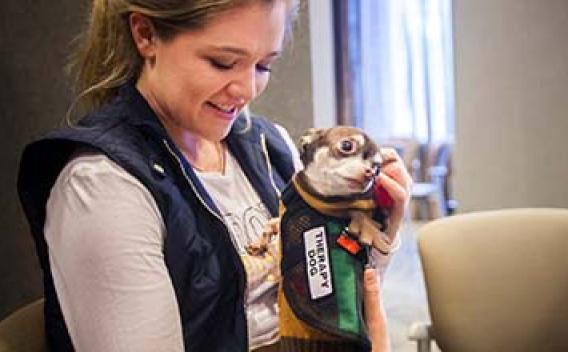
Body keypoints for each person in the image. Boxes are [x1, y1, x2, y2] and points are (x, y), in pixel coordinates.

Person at [17, 0, 412, 351]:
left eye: (263, 65)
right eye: (222, 62)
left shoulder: (269, 146)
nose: (246, 90)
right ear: (145, 34)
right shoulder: (103, 187)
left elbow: (326, 299)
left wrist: (379, 234)